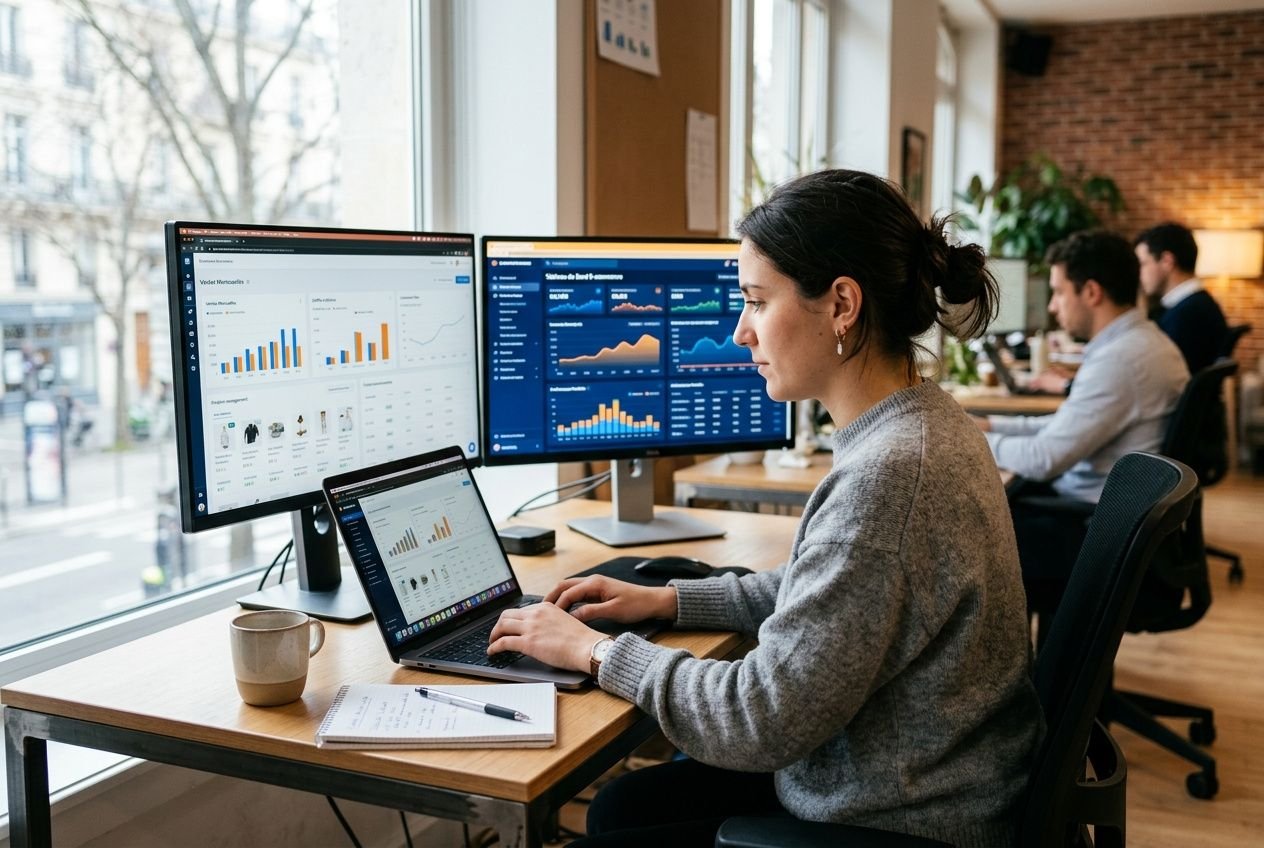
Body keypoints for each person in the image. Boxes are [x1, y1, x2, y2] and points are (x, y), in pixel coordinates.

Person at [488, 170, 1044, 846]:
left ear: (842, 305)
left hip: (894, 819)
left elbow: (758, 718)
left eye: (755, 301)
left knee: (620, 819)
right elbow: (832, 593)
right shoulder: (923, 424)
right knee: (621, 809)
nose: (740, 332)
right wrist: (671, 602)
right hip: (910, 780)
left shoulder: (890, 476)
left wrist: (597, 651)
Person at [975, 230, 1188, 624]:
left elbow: (1044, 460)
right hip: (1113, 520)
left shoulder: (1121, 360)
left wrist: (970, 437)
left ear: (1091, 292)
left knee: (966, 538)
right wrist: (990, 423)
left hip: (1097, 533)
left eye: (1058, 292)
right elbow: (1063, 426)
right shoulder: (1139, 343)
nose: (1054, 307)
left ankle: (1018, 679)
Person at [1135, 222, 1230, 374]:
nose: (1139, 274)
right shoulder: (1200, 304)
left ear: (1167, 261)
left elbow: (1151, 371)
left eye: (1143, 264)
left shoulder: (1185, 316)